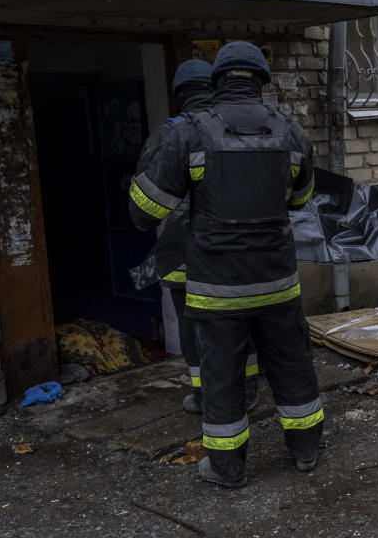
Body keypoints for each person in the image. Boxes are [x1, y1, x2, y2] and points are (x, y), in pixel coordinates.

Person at [129, 42, 323, 487]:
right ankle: (307, 452)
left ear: (218, 82)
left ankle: (227, 469)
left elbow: (145, 213)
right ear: (261, 83)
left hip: (217, 290)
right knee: (293, 367)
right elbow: (300, 199)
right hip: (277, 283)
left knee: (221, 380)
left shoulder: (188, 134)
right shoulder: (292, 131)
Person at [136, 59, 260, 415]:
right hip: (237, 250)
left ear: (179, 96)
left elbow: (145, 198)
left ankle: (206, 394)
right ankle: (248, 387)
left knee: (193, 329)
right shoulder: (235, 125)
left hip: (182, 254)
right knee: (240, 322)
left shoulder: (167, 134)